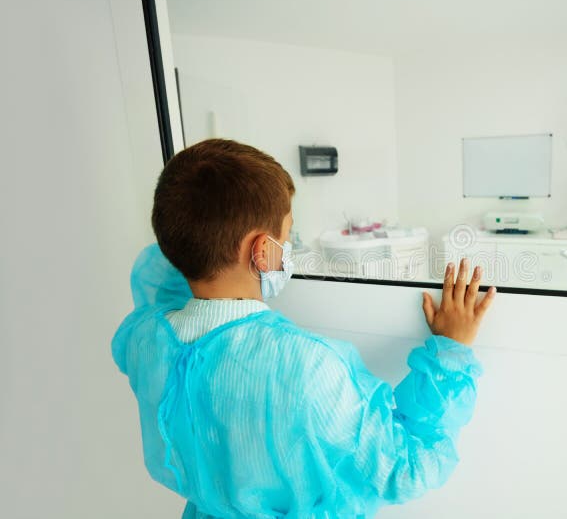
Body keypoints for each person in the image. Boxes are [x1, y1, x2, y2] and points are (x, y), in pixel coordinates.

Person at [112, 139, 495, 518]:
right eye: (287, 236)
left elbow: (165, 277)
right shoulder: (307, 367)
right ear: (262, 251)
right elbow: (405, 468)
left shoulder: (145, 340)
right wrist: (449, 354)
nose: (290, 246)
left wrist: (191, 236)